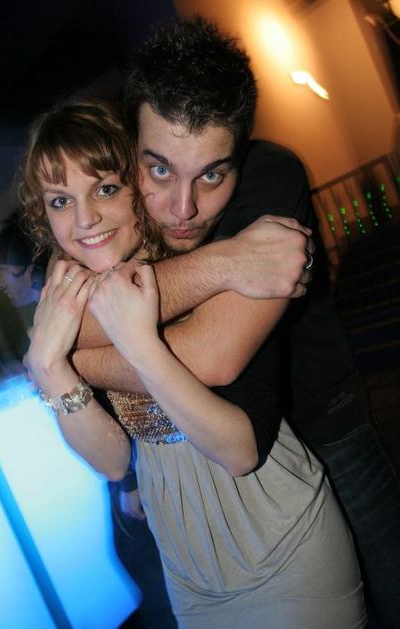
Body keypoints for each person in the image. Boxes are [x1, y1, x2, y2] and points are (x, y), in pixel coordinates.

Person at [69, 18, 400, 629]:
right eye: (160, 169)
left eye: (212, 174)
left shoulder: (272, 175)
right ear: (130, 147)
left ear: (240, 156)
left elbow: (212, 357)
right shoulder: (116, 199)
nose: (183, 208)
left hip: (326, 423)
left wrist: (68, 357)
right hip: (218, 495)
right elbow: (67, 299)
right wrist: (227, 261)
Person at [20, 96, 365, 628]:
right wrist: (48, 367)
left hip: (282, 548)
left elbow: (239, 451)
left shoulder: (201, 264)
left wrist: (130, 345)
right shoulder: (69, 302)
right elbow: (112, 462)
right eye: (60, 201)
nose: (85, 219)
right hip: (188, 575)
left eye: (105, 189)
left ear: (138, 189)